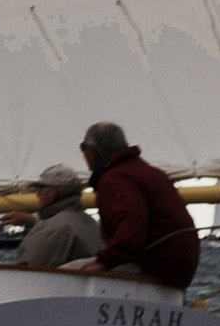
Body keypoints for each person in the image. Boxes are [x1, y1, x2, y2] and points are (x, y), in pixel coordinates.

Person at [63, 121, 200, 288]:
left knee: (66, 274)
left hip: (155, 267)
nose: (83, 153)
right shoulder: (147, 171)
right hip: (179, 268)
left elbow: (132, 224)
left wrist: (104, 262)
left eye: (83, 147)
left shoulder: (116, 178)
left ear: (93, 150)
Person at [14, 165, 100, 269]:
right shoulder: (91, 223)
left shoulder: (53, 229)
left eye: (40, 189)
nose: (37, 195)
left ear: (51, 194)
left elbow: (28, 271)